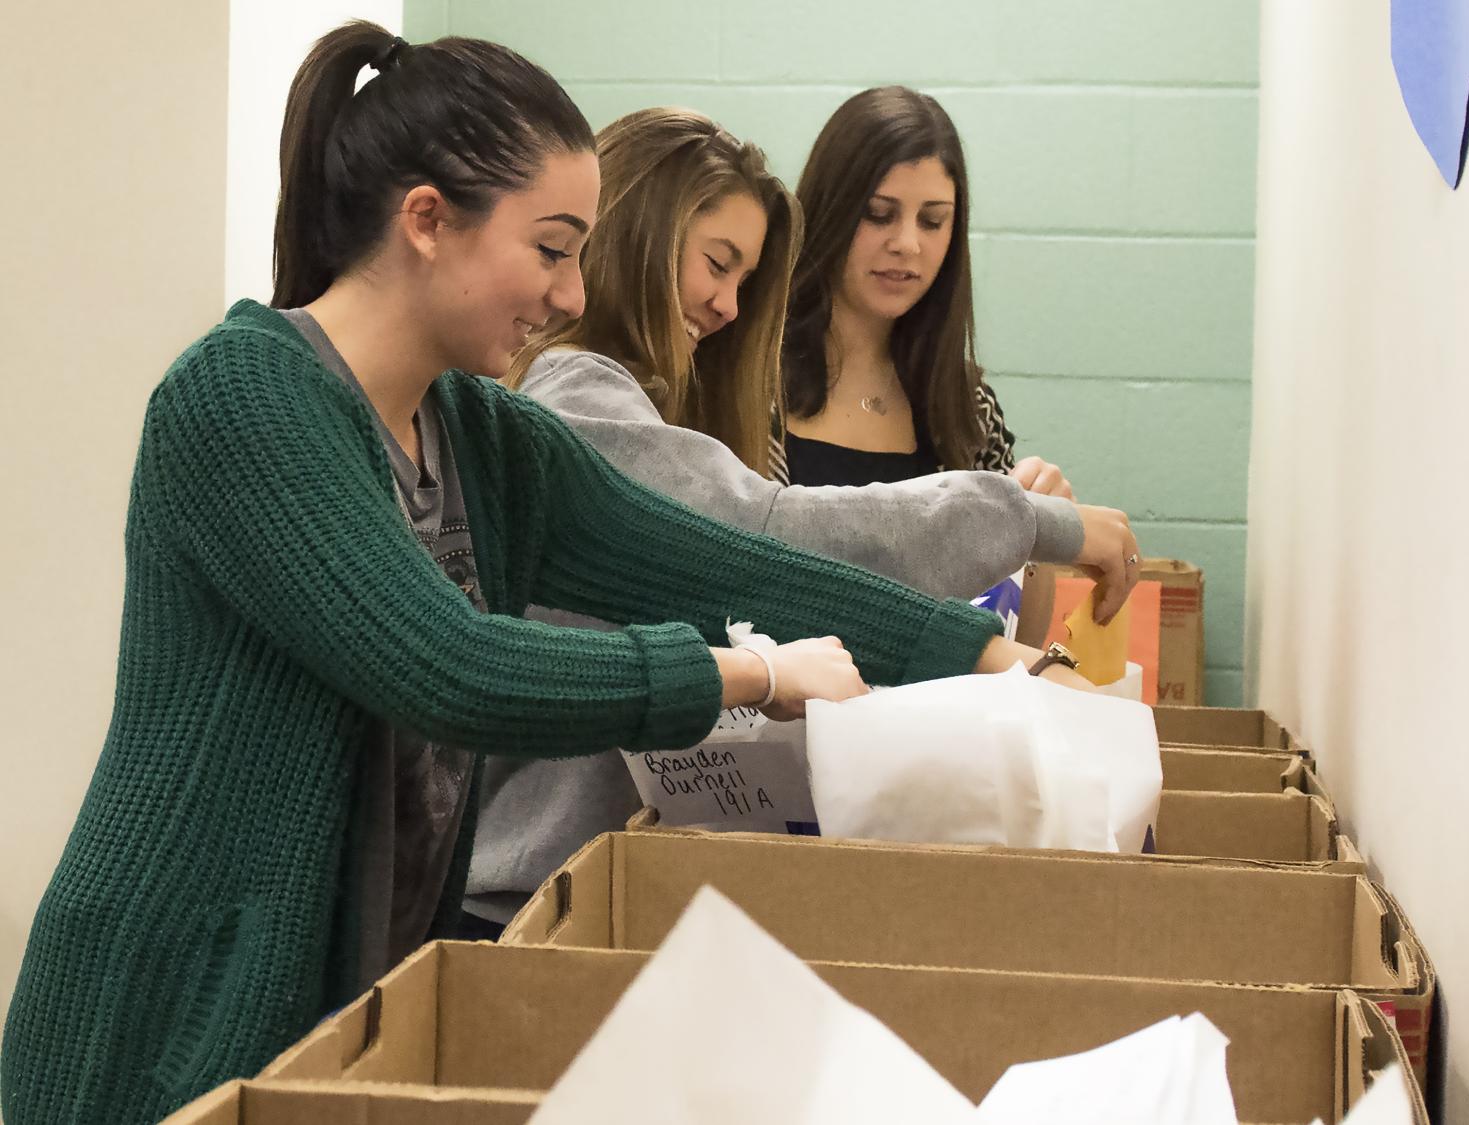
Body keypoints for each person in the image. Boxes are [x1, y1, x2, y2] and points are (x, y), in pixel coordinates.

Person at [0, 27, 1079, 1125]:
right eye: (551, 247)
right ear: (427, 221)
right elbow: (448, 666)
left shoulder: (485, 437)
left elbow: (732, 561)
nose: (571, 293)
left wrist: (990, 658)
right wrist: (747, 672)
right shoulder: (242, 399)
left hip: (340, 1003)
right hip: (163, 1015)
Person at [465, 108, 1138, 931]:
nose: (726, 306)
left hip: (613, 870)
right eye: (717, 264)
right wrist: (1027, 547)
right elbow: (771, 549)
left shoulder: (647, 397)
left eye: (744, 280)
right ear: (639, 231)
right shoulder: (578, 394)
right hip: (542, 888)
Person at [777, 85, 1077, 507]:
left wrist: (1044, 524)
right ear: (830, 210)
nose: (907, 244)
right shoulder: (749, 379)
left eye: (933, 221)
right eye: (878, 214)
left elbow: (1008, 572)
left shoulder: (967, 407)